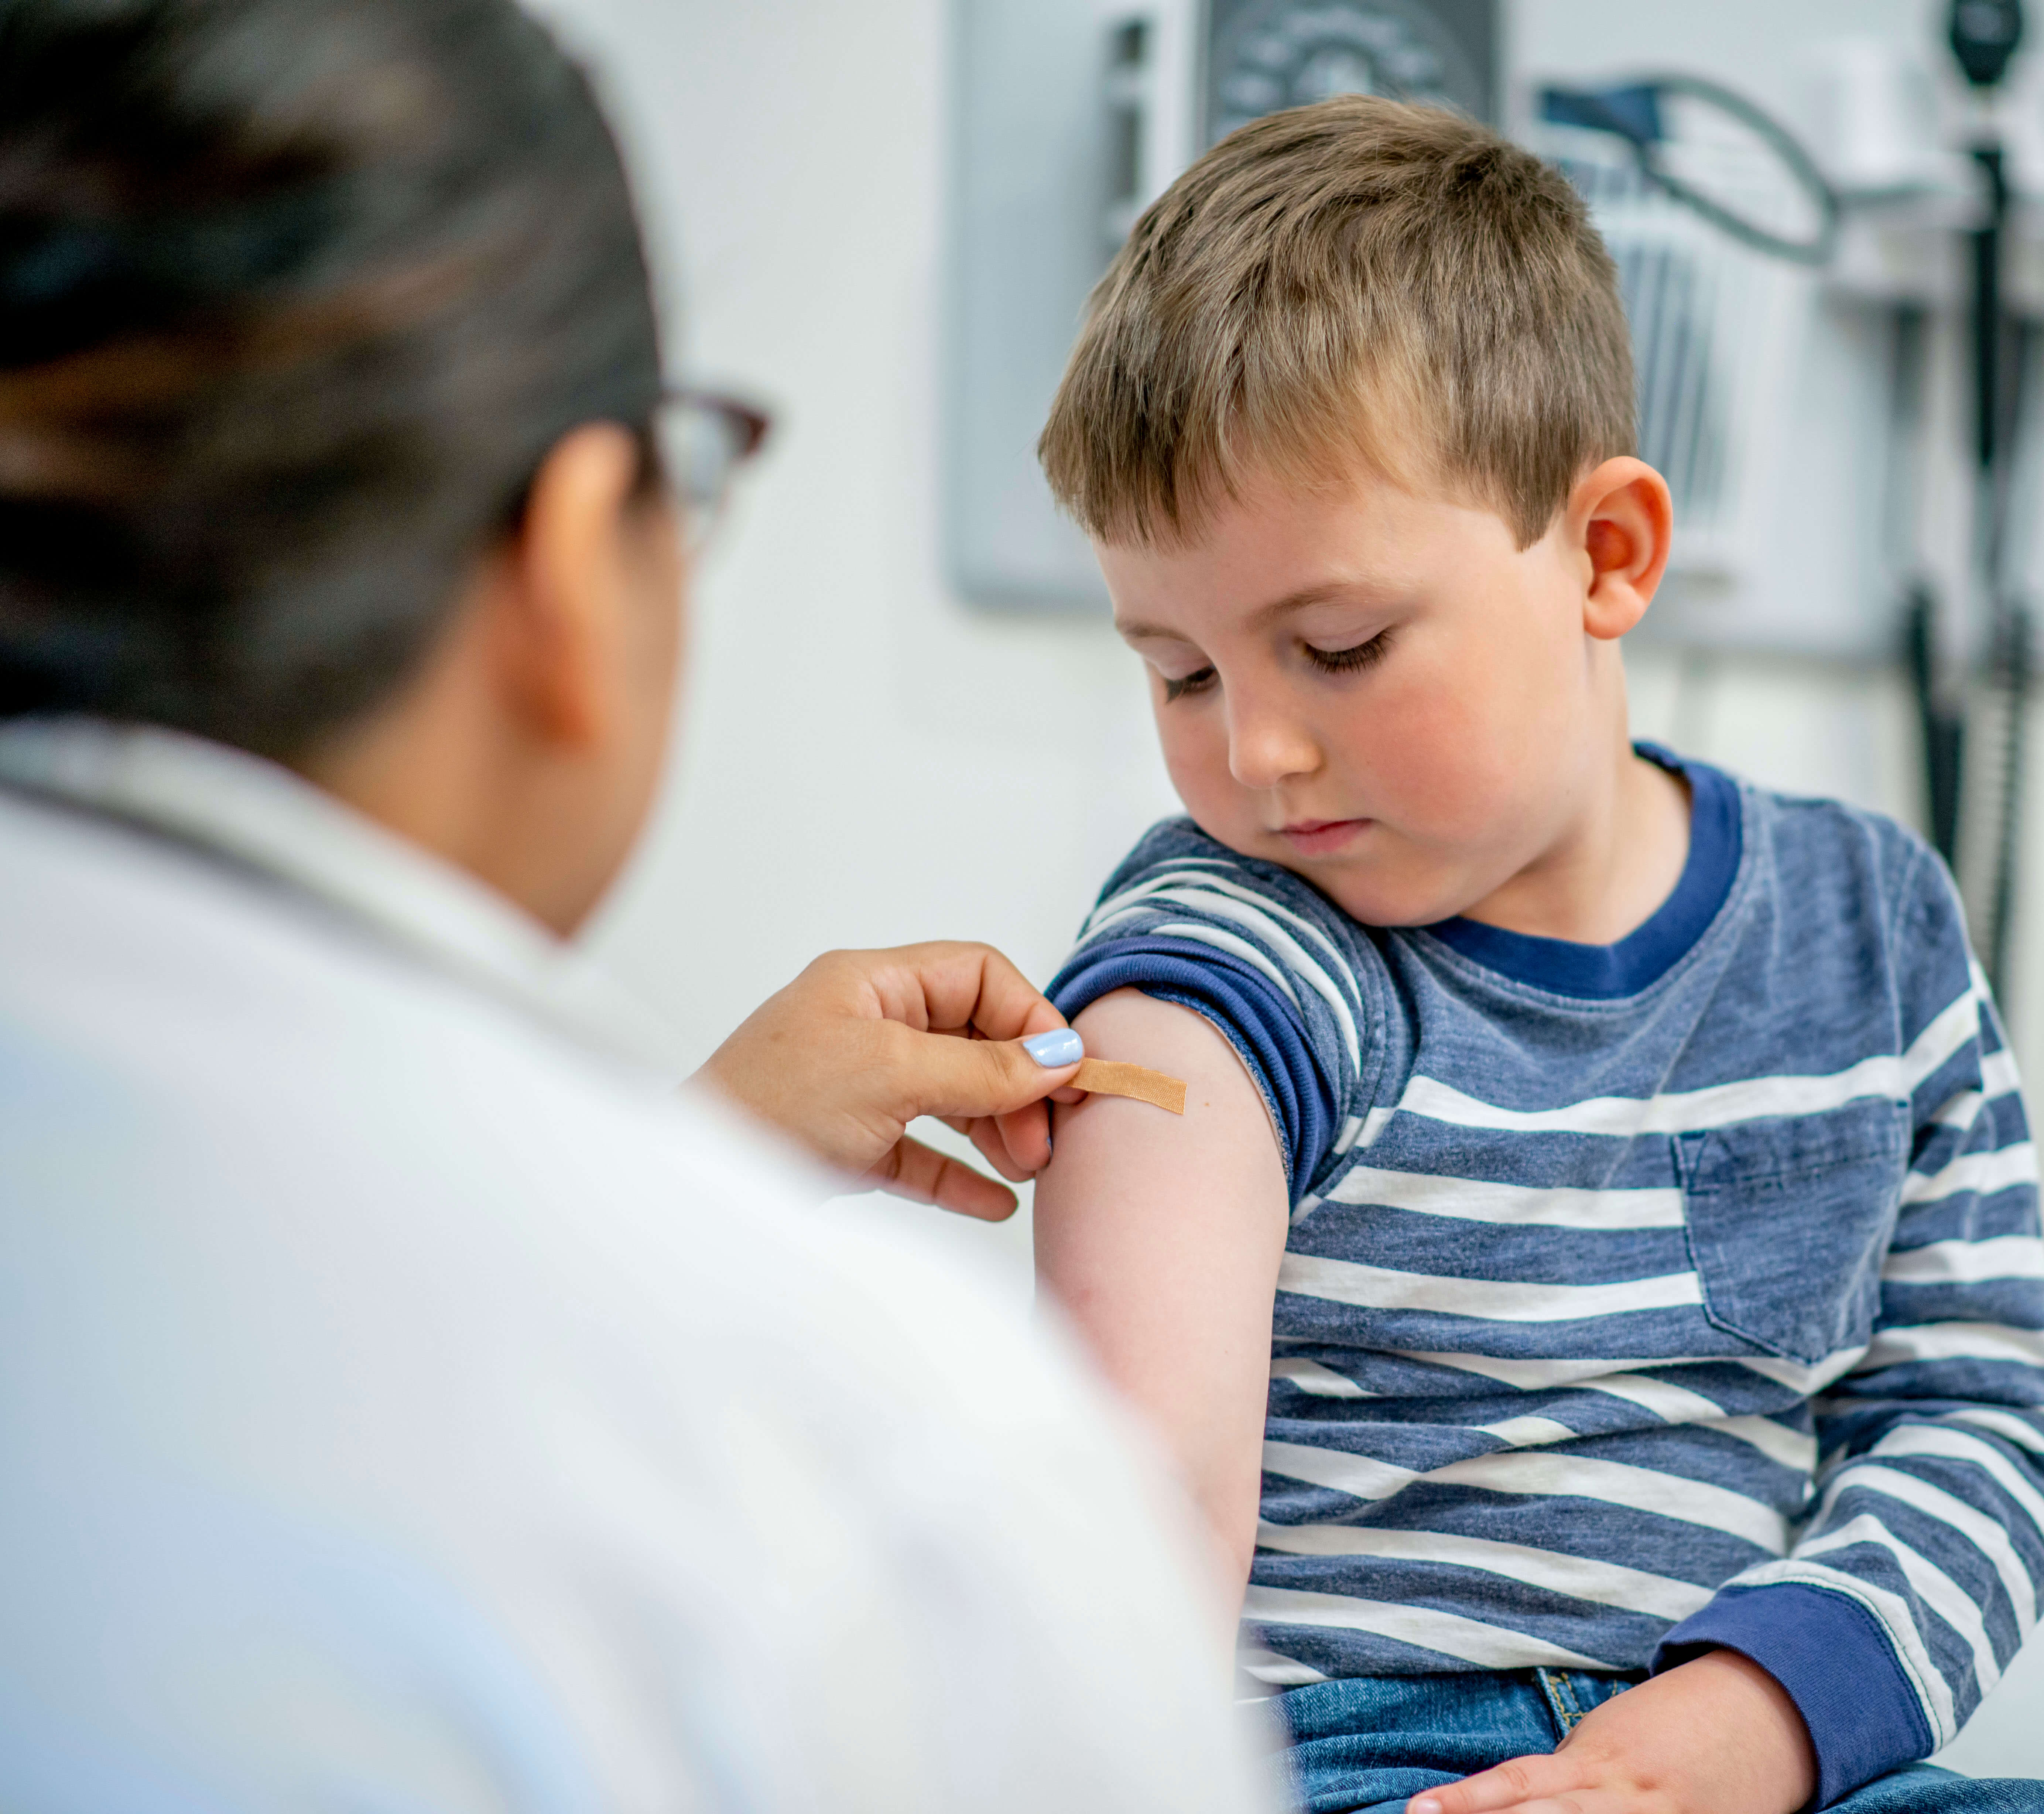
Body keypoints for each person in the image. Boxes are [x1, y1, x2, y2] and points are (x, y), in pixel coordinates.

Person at [0, 2, 1268, 1807]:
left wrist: (695, 1148)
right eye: (1179, 670)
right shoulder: (865, 1466)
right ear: (577, 553)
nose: (1263, 752)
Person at [1023, 98, 2044, 1814]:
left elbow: (1977, 1412)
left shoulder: (1871, 929)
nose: (1254, 755)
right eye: (1178, 672)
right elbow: (1130, 1527)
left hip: (1754, 1750)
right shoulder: (1221, 956)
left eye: (1336, 646)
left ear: (1605, 556)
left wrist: (1725, 1737)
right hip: (1335, 1760)